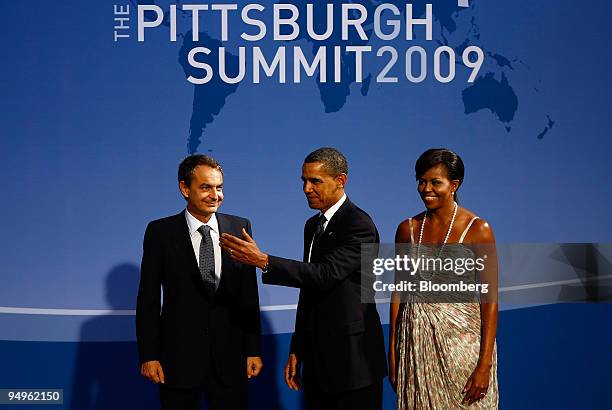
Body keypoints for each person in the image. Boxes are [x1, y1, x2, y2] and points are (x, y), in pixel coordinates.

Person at [219, 147, 388, 409]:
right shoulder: (313, 225)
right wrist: (298, 347)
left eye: (315, 181)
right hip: (318, 362)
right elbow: (309, 290)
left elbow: (324, 275)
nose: (306, 188)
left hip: (354, 363)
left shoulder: (359, 224)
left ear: (340, 181)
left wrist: (263, 261)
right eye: (304, 181)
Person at [136, 154, 262, 410]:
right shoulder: (159, 232)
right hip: (178, 360)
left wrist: (253, 349)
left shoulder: (240, 227)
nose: (215, 195)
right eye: (206, 187)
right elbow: (148, 299)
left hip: (230, 359)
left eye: (219, 187)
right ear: (185, 188)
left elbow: (248, 295)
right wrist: (149, 355)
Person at [389, 148, 499, 409]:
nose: (426, 188)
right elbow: (398, 294)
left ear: (454, 185)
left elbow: (490, 299)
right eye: (422, 181)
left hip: (464, 351)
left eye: (435, 182)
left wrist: (484, 365)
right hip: (416, 349)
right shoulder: (408, 229)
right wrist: (393, 352)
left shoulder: (478, 230)